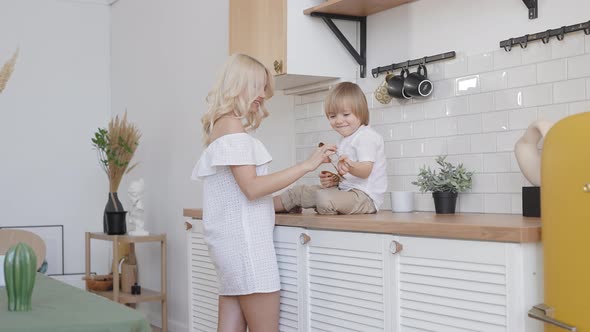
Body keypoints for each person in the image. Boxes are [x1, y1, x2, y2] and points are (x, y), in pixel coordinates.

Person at [191, 53, 335, 332]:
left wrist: (287, 200)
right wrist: (308, 164)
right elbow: (252, 188)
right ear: (239, 85)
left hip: (230, 245)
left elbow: (238, 195)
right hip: (247, 247)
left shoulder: (219, 125)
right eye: (257, 86)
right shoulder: (232, 127)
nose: (262, 96)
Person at [274, 82, 387, 215]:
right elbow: (349, 177)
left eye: (345, 114)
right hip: (346, 191)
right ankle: (260, 209)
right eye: (333, 116)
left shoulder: (366, 137)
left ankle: (315, 205)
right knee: (298, 192)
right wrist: (335, 179)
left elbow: (365, 171)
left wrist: (350, 167)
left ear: (361, 112)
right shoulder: (346, 139)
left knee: (323, 197)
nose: (338, 121)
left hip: (365, 198)